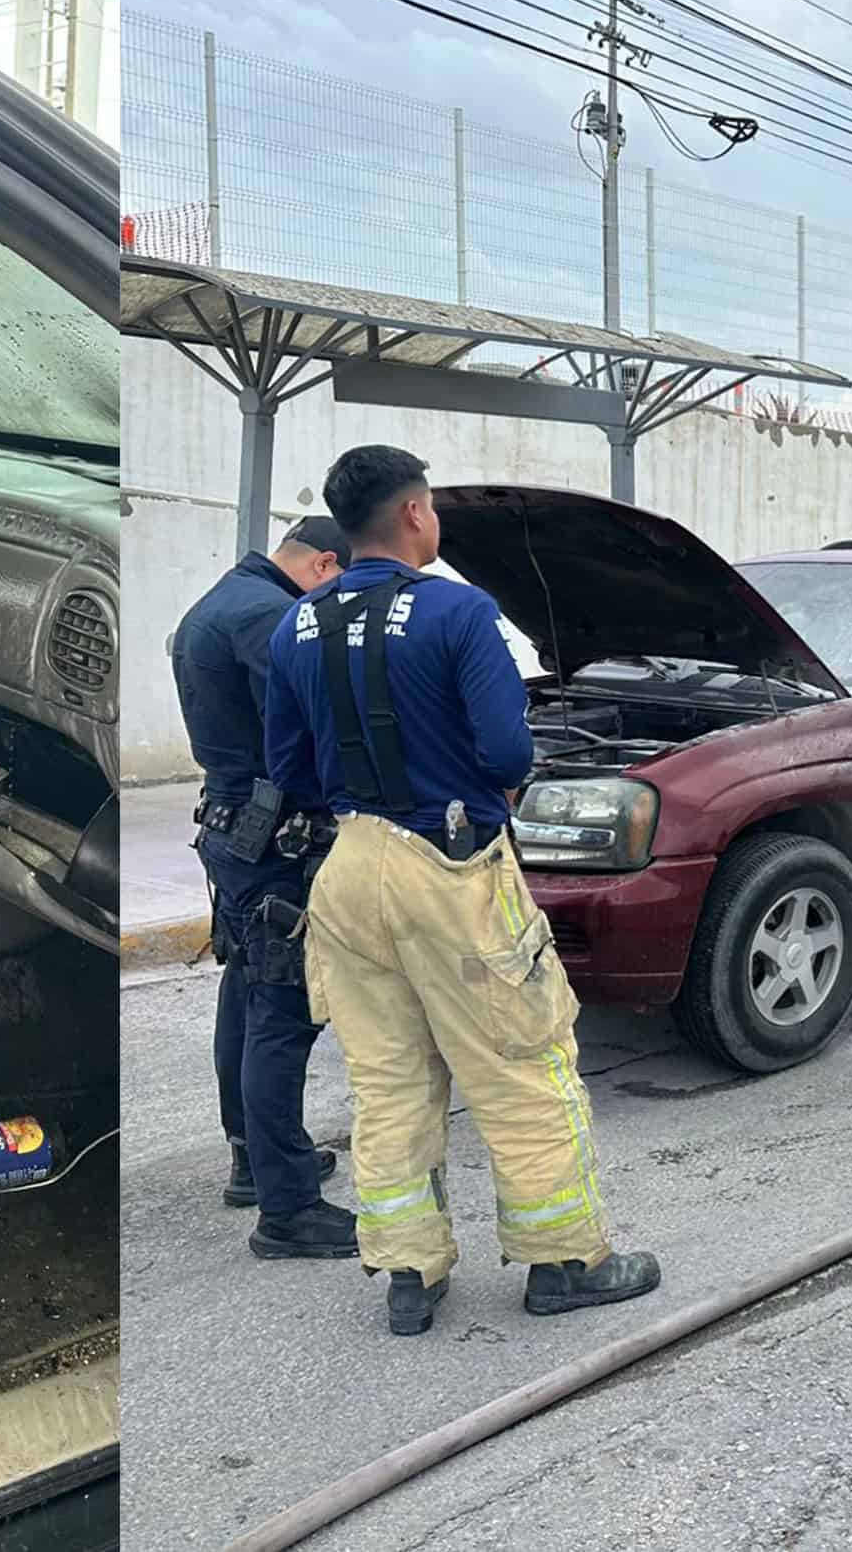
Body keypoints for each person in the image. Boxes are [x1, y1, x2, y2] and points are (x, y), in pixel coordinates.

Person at [264, 445, 659, 1337]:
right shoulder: (458, 609)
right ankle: (566, 1262)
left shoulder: (296, 625)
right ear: (413, 514)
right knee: (522, 1064)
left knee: (390, 1078)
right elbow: (509, 753)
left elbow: (288, 766)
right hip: (449, 869)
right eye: (432, 505)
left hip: (350, 870)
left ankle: (409, 1275)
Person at [171, 515, 355, 1259]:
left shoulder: (223, 599)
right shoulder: (274, 616)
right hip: (274, 840)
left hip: (235, 829)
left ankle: (255, 1157)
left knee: (247, 988)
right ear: (325, 564)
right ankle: (288, 1212)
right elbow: (312, 728)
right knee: (281, 1010)